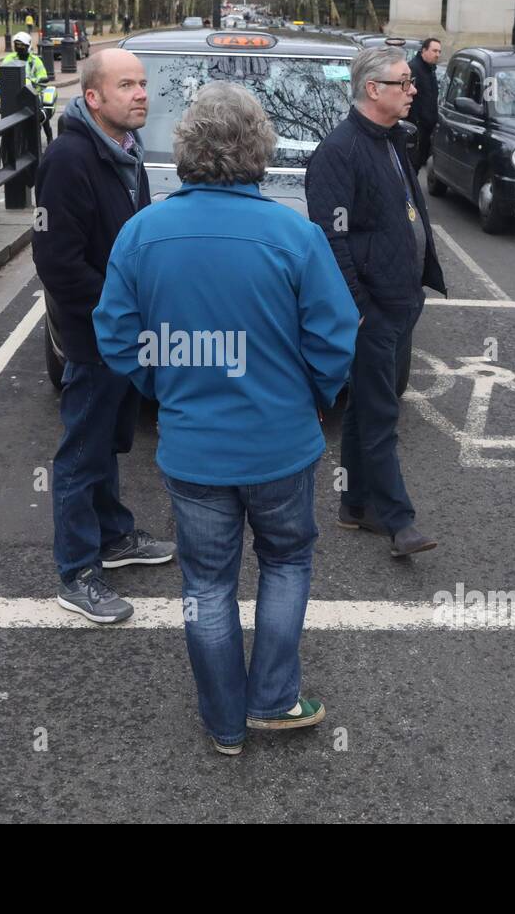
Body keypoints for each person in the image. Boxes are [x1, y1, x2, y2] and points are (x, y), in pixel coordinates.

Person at [94, 82, 358, 755]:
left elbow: (116, 336)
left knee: (206, 584)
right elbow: (334, 338)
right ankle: (273, 698)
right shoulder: (295, 236)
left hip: (193, 448)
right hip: (281, 443)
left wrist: (162, 386)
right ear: (259, 153)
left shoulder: (141, 233)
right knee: (287, 560)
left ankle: (224, 722)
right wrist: (310, 394)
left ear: (185, 150)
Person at [32, 48, 174, 625]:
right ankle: (77, 572)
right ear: (93, 98)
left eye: (142, 83)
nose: (141, 94)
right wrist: (118, 314)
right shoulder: (68, 159)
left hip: (123, 331)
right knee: (81, 452)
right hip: (95, 336)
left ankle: (113, 537)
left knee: (110, 440)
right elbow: (58, 263)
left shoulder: (124, 152)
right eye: (126, 85)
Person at [304, 44, 447, 558]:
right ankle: (398, 519)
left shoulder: (391, 140)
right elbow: (328, 238)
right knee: (383, 411)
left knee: (368, 406)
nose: (414, 91)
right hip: (371, 308)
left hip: (400, 299)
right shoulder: (340, 152)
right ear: (372, 90)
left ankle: (355, 504)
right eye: (403, 83)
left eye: (411, 82)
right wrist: (355, 304)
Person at [1, 30, 52, 145]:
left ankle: (49, 136)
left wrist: (37, 82)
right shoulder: (10, 58)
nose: (19, 48)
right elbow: (1, 71)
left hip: (32, 92)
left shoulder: (35, 61)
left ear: (28, 46)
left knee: (40, 112)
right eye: (17, 45)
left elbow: (42, 75)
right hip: (14, 93)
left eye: (22, 45)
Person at [407, 37, 442, 170]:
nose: (437, 54)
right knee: (412, 166)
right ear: (424, 51)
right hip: (416, 129)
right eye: (434, 51)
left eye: (439, 51)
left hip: (427, 130)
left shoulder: (430, 70)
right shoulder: (414, 69)